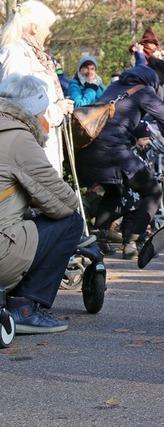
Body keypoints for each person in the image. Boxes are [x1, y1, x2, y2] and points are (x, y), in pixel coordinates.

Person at [0, 75, 83, 333]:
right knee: (71, 222)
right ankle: (23, 307)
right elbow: (64, 202)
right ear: (34, 111)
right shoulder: (17, 138)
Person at [75, 64, 164, 258]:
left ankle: (100, 238)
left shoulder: (114, 86)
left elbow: (119, 120)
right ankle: (133, 242)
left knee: (114, 190)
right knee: (152, 190)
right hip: (114, 152)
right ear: (153, 81)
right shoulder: (145, 92)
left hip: (88, 150)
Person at [0, 0, 75, 175]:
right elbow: (14, 107)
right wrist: (57, 110)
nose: (49, 32)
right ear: (34, 27)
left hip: (41, 146)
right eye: (47, 27)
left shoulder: (34, 55)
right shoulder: (16, 53)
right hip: (30, 152)